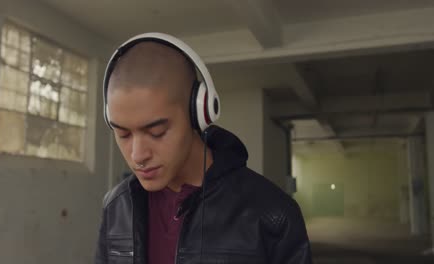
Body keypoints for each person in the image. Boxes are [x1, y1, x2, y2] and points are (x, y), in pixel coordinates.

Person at [95, 33, 312, 264]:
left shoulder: (273, 213)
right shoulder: (116, 205)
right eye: (123, 134)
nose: (138, 155)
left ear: (199, 113)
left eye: (157, 132)